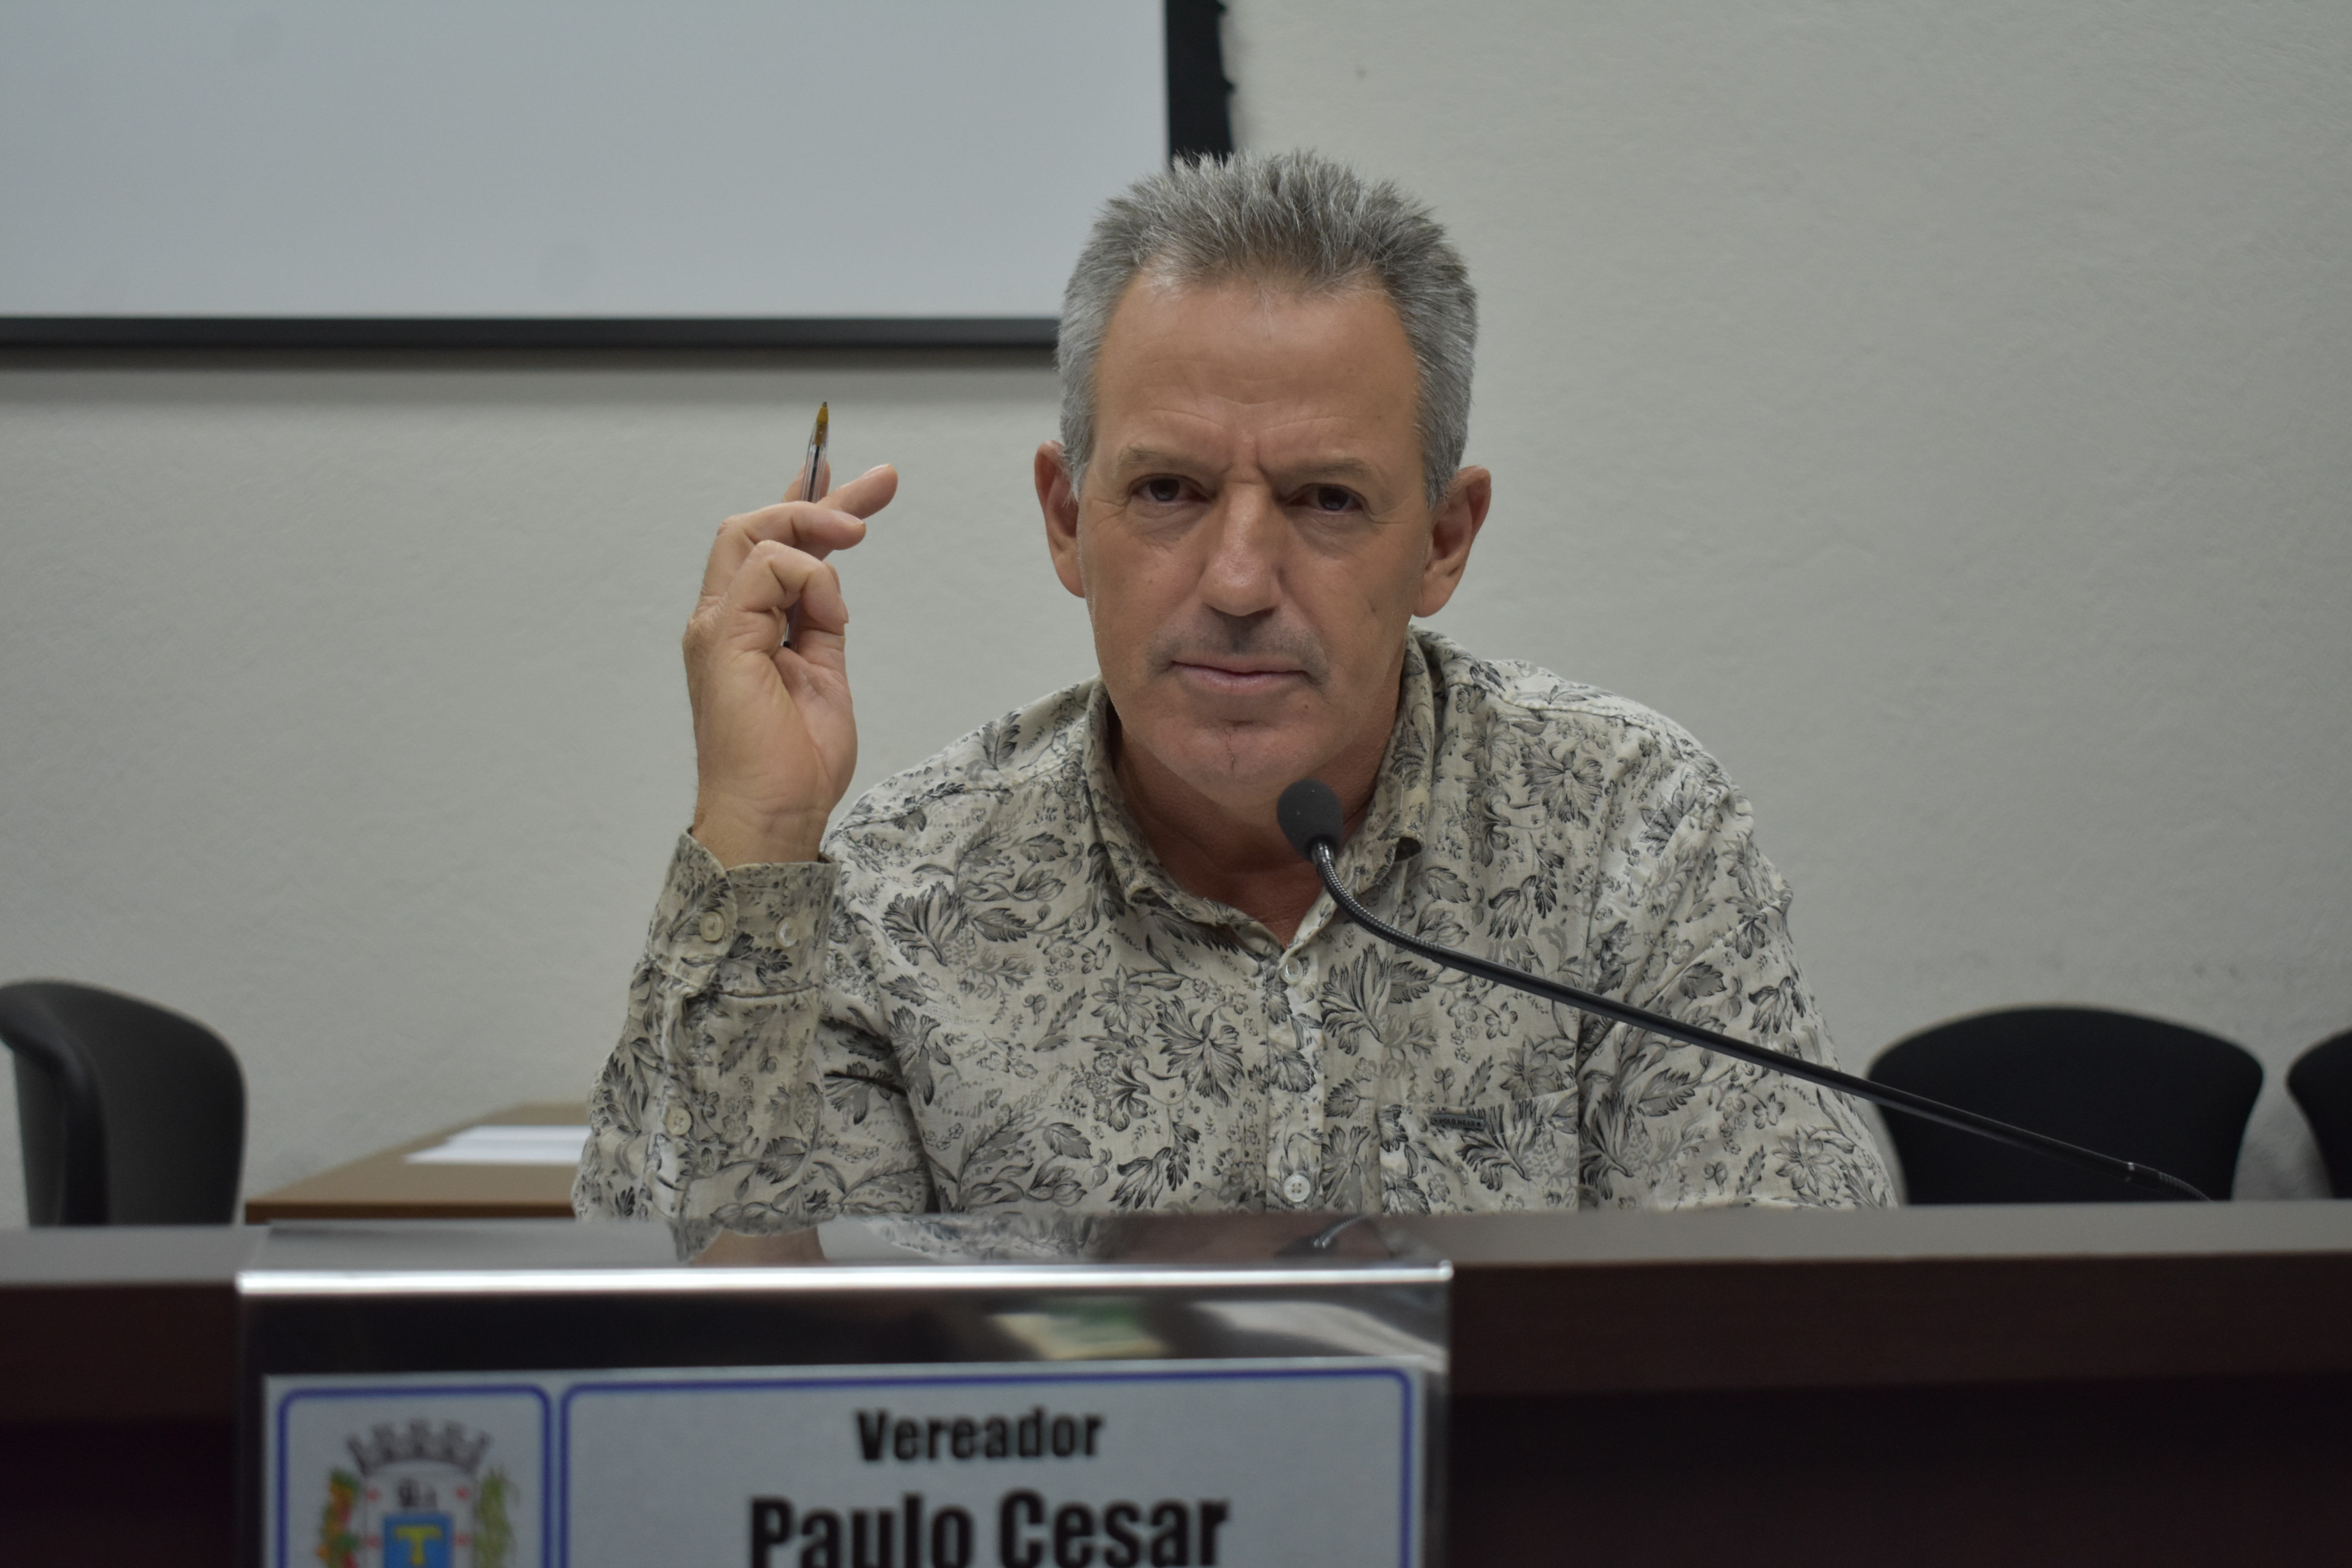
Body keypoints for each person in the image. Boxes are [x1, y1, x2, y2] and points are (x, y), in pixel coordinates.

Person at [576, 152, 1892, 1252]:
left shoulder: (1629, 833)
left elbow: (1794, 1323)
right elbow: (706, 1361)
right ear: (1066, 520)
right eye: (1170, 492)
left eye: (1327, 500)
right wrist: (757, 830)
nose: (1241, 581)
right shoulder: (897, 895)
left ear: (1443, 540)